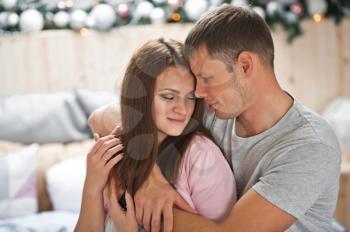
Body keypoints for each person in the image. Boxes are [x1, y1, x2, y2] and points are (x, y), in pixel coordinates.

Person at [88, 4, 342, 232]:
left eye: (206, 78)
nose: (197, 92)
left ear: (245, 65)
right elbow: (101, 117)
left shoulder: (311, 146)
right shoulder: (214, 110)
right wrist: (149, 177)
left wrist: (133, 208)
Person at [74, 38, 237, 232]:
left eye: (190, 97)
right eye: (168, 96)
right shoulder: (114, 151)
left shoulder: (201, 156)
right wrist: (91, 189)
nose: (182, 109)